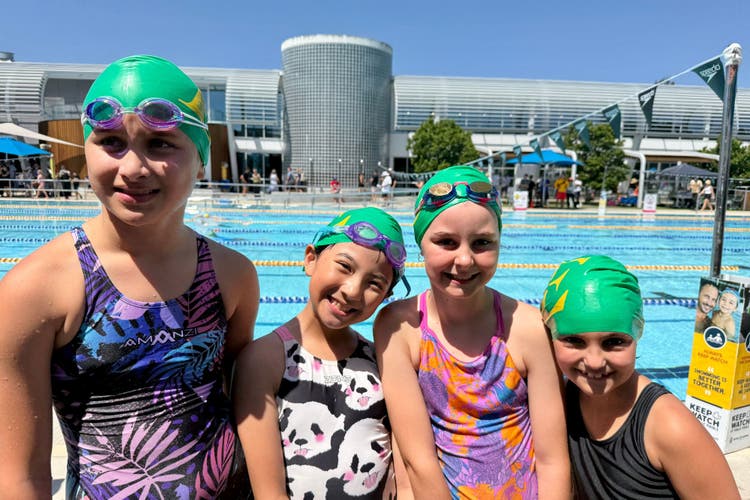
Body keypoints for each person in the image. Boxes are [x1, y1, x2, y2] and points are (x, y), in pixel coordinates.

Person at [0, 54, 261, 499]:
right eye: (111, 142)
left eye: (161, 145)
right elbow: (20, 477)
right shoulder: (36, 288)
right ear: (86, 151)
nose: (133, 168)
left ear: (200, 161)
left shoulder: (232, 275)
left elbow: (240, 402)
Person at [375, 165, 569, 498]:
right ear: (421, 243)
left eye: (482, 243)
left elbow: (553, 461)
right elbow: (418, 458)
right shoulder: (400, 328)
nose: (464, 260)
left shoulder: (527, 328)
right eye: (446, 242)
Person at [234, 207, 410, 498]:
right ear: (311, 259)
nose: (353, 291)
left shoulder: (381, 362)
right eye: (344, 266)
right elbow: (269, 493)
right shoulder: (265, 359)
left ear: (385, 298)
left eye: (374, 284)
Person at [541, 255, 740, 500]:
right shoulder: (557, 405)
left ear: (638, 334)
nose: (594, 361)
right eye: (574, 340)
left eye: (614, 342)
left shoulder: (669, 426)